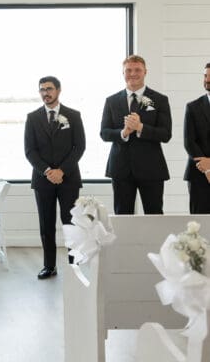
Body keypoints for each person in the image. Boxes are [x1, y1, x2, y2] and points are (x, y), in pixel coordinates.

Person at [24, 76, 86, 280]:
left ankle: (74, 264)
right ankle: (49, 266)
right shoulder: (32, 118)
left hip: (69, 179)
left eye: (49, 89)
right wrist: (48, 171)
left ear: (59, 90)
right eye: (42, 89)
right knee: (46, 224)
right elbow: (30, 151)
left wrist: (62, 171)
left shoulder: (73, 116)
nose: (45, 93)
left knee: (70, 223)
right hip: (43, 180)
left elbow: (79, 147)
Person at [100, 54, 172, 214]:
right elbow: (104, 133)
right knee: (122, 215)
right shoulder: (111, 101)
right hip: (121, 168)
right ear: (123, 73)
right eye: (128, 70)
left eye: (137, 70)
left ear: (145, 72)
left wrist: (140, 127)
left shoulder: (159, 100)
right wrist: (124, 132)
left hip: (151, 168)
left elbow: (166, 134)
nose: (133, 74)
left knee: (154, 214)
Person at [183, 63, 210, 214]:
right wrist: (206, 167)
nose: (207, 79)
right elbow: (189, 141)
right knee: (199, 224)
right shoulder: (192, 107)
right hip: (198, 175)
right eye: (205, 75)